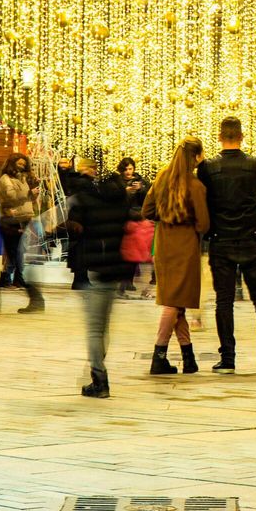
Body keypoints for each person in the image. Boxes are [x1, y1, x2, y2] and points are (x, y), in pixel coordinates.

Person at [199, 117, 256, 373]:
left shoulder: (208, 168)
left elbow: (203, 198)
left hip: (221, 240)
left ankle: (228, 359)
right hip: (251, 239)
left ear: (220, 136)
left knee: (224, 301)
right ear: (242, 136)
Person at [143, 137, 210, 375]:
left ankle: (188, 356)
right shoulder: (195, 186)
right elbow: (203, 223)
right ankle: (158, 356)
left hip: (163, 244)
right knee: (173, 303)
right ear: (196, 157)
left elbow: (147, 210)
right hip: (185, 247)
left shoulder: (162, 178)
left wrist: (166, 216)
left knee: (176, 301)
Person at [66, 164, 132, 398]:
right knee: (103, 326)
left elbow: (74, 226)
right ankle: (98, 370)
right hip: (115, 266)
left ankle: (99, 379)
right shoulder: (121, 199)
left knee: (94, 328)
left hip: (94, 267)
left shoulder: (87, 200)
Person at [0, 153, 45, 313]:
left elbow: (27, 199)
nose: (22, 166)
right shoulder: (6, 179)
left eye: (24, 164)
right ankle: (10, 278)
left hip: (26, 216)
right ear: (12, 164)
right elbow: (10, 197)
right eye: (19, 164)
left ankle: (14, 278)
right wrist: (28, 194)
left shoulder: (24, 178)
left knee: (20, 250)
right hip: (12, 218)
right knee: (14, 250)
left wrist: (33, 193)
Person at [115, 158, 153, 300]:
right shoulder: (117, 182)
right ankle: (123, 284)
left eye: (130, 169)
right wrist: (126, 192)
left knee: (136, 255)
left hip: (139, 221)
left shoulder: (141, 182)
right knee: (127, 255)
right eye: (126, 169)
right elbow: (114, 200)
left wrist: (140, 190)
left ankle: (128, 283)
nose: (128, 172)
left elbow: (148, 198)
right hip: (124, 219)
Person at [64, 156, 98, 290]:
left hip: (78, 221)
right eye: (93, 168)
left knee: (80, 251)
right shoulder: (84, 183)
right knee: (81, 252)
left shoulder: (79, 182)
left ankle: (82, 279)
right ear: (85, 169)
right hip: (81, 222)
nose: (95, 171)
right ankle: (80, 280)